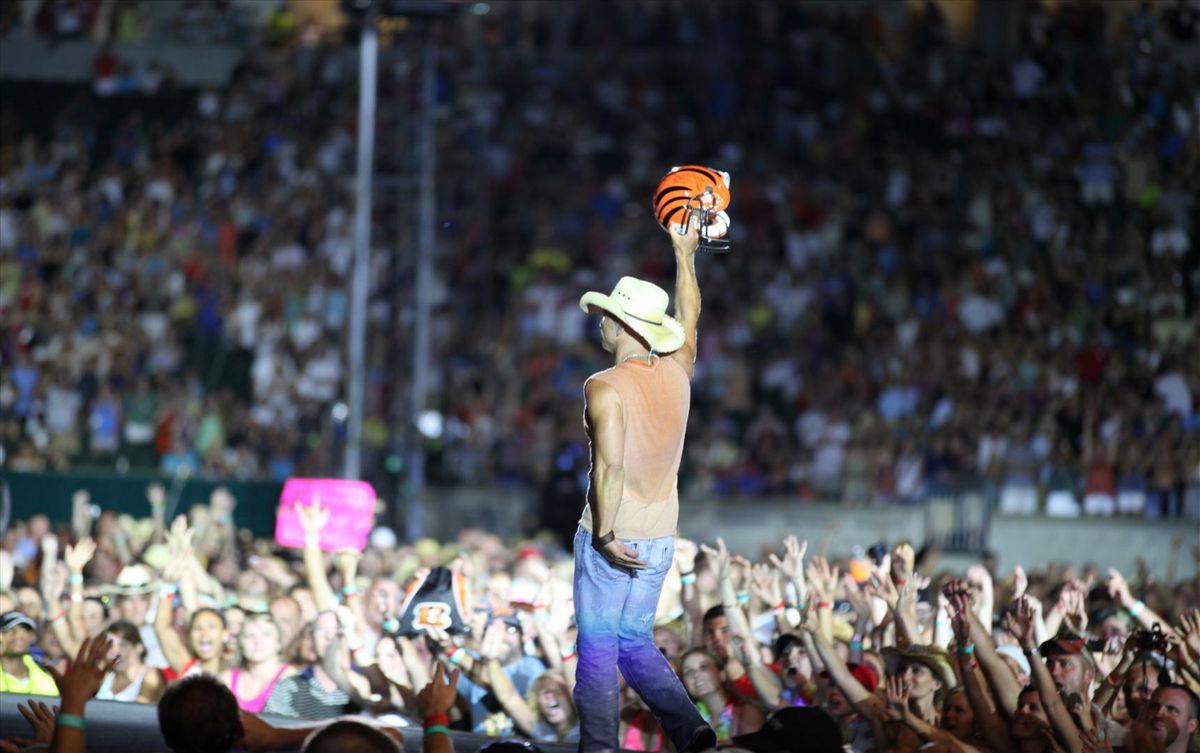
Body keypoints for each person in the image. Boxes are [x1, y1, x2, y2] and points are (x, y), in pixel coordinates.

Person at [572, 223, 714, 753]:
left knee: (598, 650)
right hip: (660, 534)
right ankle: (690, 728)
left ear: (619, 325)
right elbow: (691, 317)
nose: (600, 325)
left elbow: (606, 469)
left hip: (616, 533)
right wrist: (685, 256)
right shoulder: (679, 369)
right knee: (634, 640)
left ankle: (600, 749)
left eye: (606, 317)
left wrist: (605, 534)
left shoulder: (604, 386)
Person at [218, 613, 295, 712]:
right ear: (241, 644)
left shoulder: (291, 678)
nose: (258, 641)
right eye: (250, 636)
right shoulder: (226, 680)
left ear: (278, 643)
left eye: (266, 634)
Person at [95, 619, 166, 703]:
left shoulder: (150, 675)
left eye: (122, 645)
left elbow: (139, 712)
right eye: (109, 645)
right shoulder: (105, 676)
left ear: (139, 648)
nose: (115, 651)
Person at [0, 611, 59, 696]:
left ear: (32, 636)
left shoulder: (44, 673)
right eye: (9, 630)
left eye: (24, 630)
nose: (18, 635)